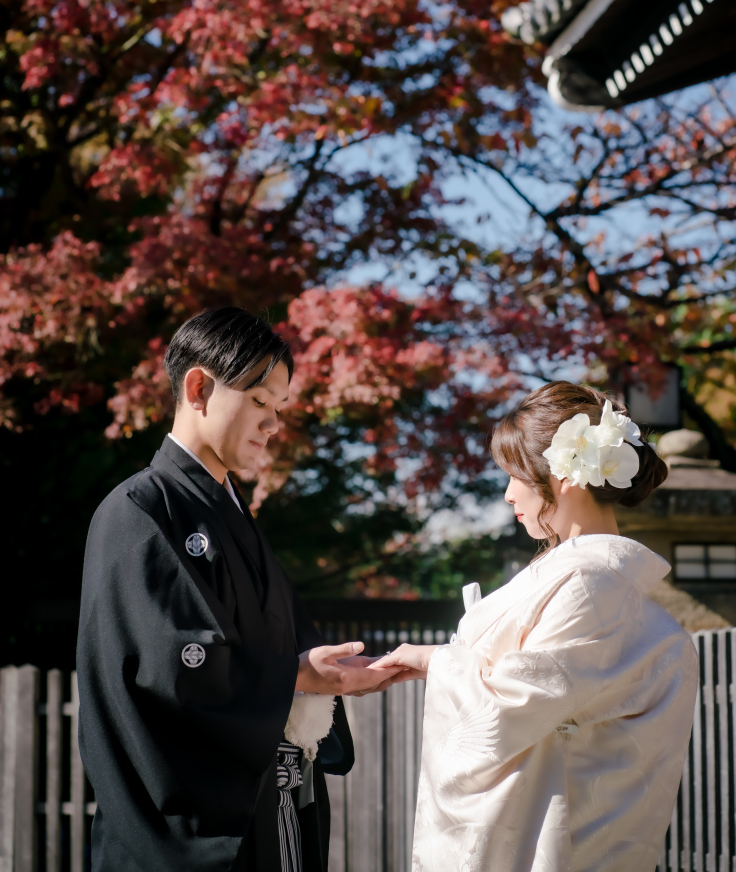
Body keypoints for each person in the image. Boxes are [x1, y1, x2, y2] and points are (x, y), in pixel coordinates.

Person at [77, 306, 396, 872]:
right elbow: (170, 665)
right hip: (196, 833)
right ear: (199, 387)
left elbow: (290, 645)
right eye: (259, 402)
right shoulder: (139, 511)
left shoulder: (233, 517)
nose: (274, 424)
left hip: (275, 807)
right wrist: (296, 675)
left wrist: (347, 670)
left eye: (279, 407)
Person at [373, 382, 699, 872]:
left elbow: (514, 705)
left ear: (564, 475)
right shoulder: (581, 577)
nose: (507, 494)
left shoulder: (590, 584)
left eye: (515, 476)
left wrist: (434, 661)